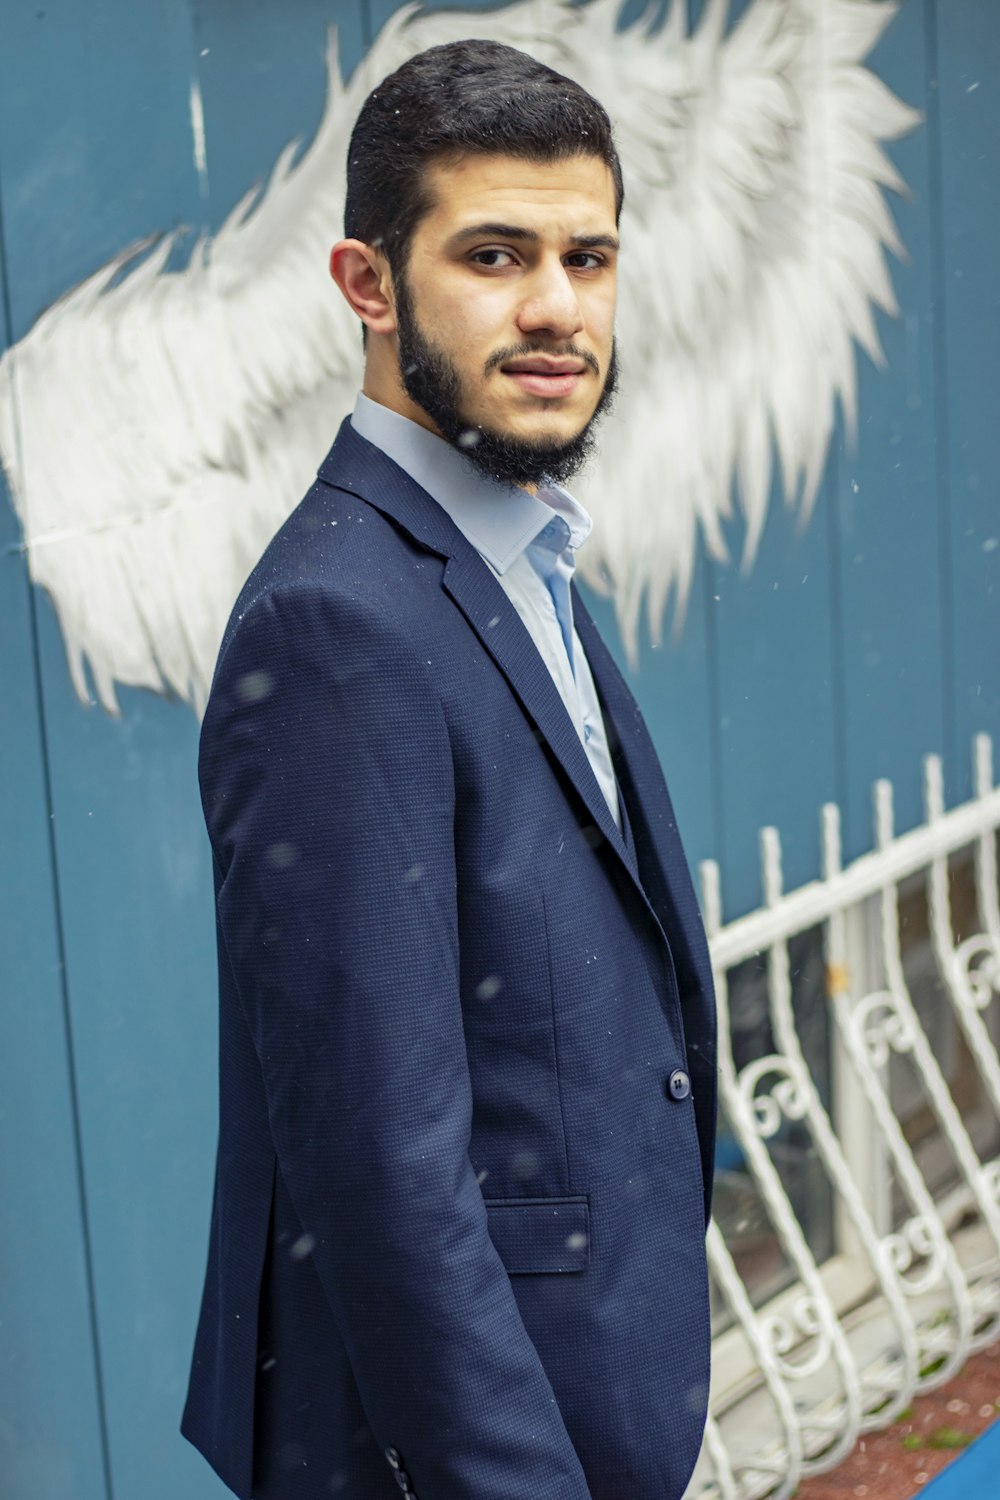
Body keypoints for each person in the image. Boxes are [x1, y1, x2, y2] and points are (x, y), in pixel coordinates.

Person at [182, 37, 717, 1500]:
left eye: (589, 257)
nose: (557, 309)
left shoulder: (516, 549)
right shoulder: (334, 625)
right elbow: (380, 1169)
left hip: (587, 1393)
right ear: (368, 285)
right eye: (494, 253)